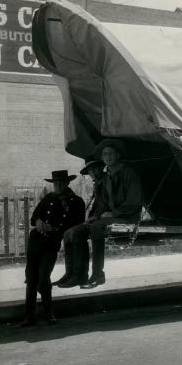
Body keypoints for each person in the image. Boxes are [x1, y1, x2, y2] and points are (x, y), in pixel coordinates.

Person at [71, 138, 142, 289]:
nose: (107, 157)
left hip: (127, 217)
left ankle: (98, 274)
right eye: (104, 154)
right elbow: (103, 203)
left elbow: (134, 202)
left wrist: (114, 213)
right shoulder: (107, 176)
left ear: (117, 155)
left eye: (110, 154)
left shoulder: (128, 173)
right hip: (111, 217)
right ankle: (77, 274)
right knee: (76, 232)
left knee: (96, 228)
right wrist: (95, 216)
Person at [21, 170, 85, 327]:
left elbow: (78, 224)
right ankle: (29, 317)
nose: (58, 186)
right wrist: (39, 223)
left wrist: (55, 228)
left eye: (61, 183)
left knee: (44, 279)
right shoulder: (49, 198)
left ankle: (48, 314)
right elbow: (34, 217)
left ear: (67, 183)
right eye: (56, 183)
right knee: (31, 279)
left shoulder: (76, 201)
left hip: (51, 243)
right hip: (35, 242)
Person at [55, 156, 106, 288]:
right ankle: (71, 273)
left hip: (105, 218)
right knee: (68, 234)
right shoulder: (99, 183)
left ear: (101, 168)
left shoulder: (107, 181)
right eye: (90, 170)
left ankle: (92, 274)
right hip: (98, 217)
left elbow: (107, 203)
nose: (92, 173)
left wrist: (96, 216)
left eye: (95, 169)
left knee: (82, 233)